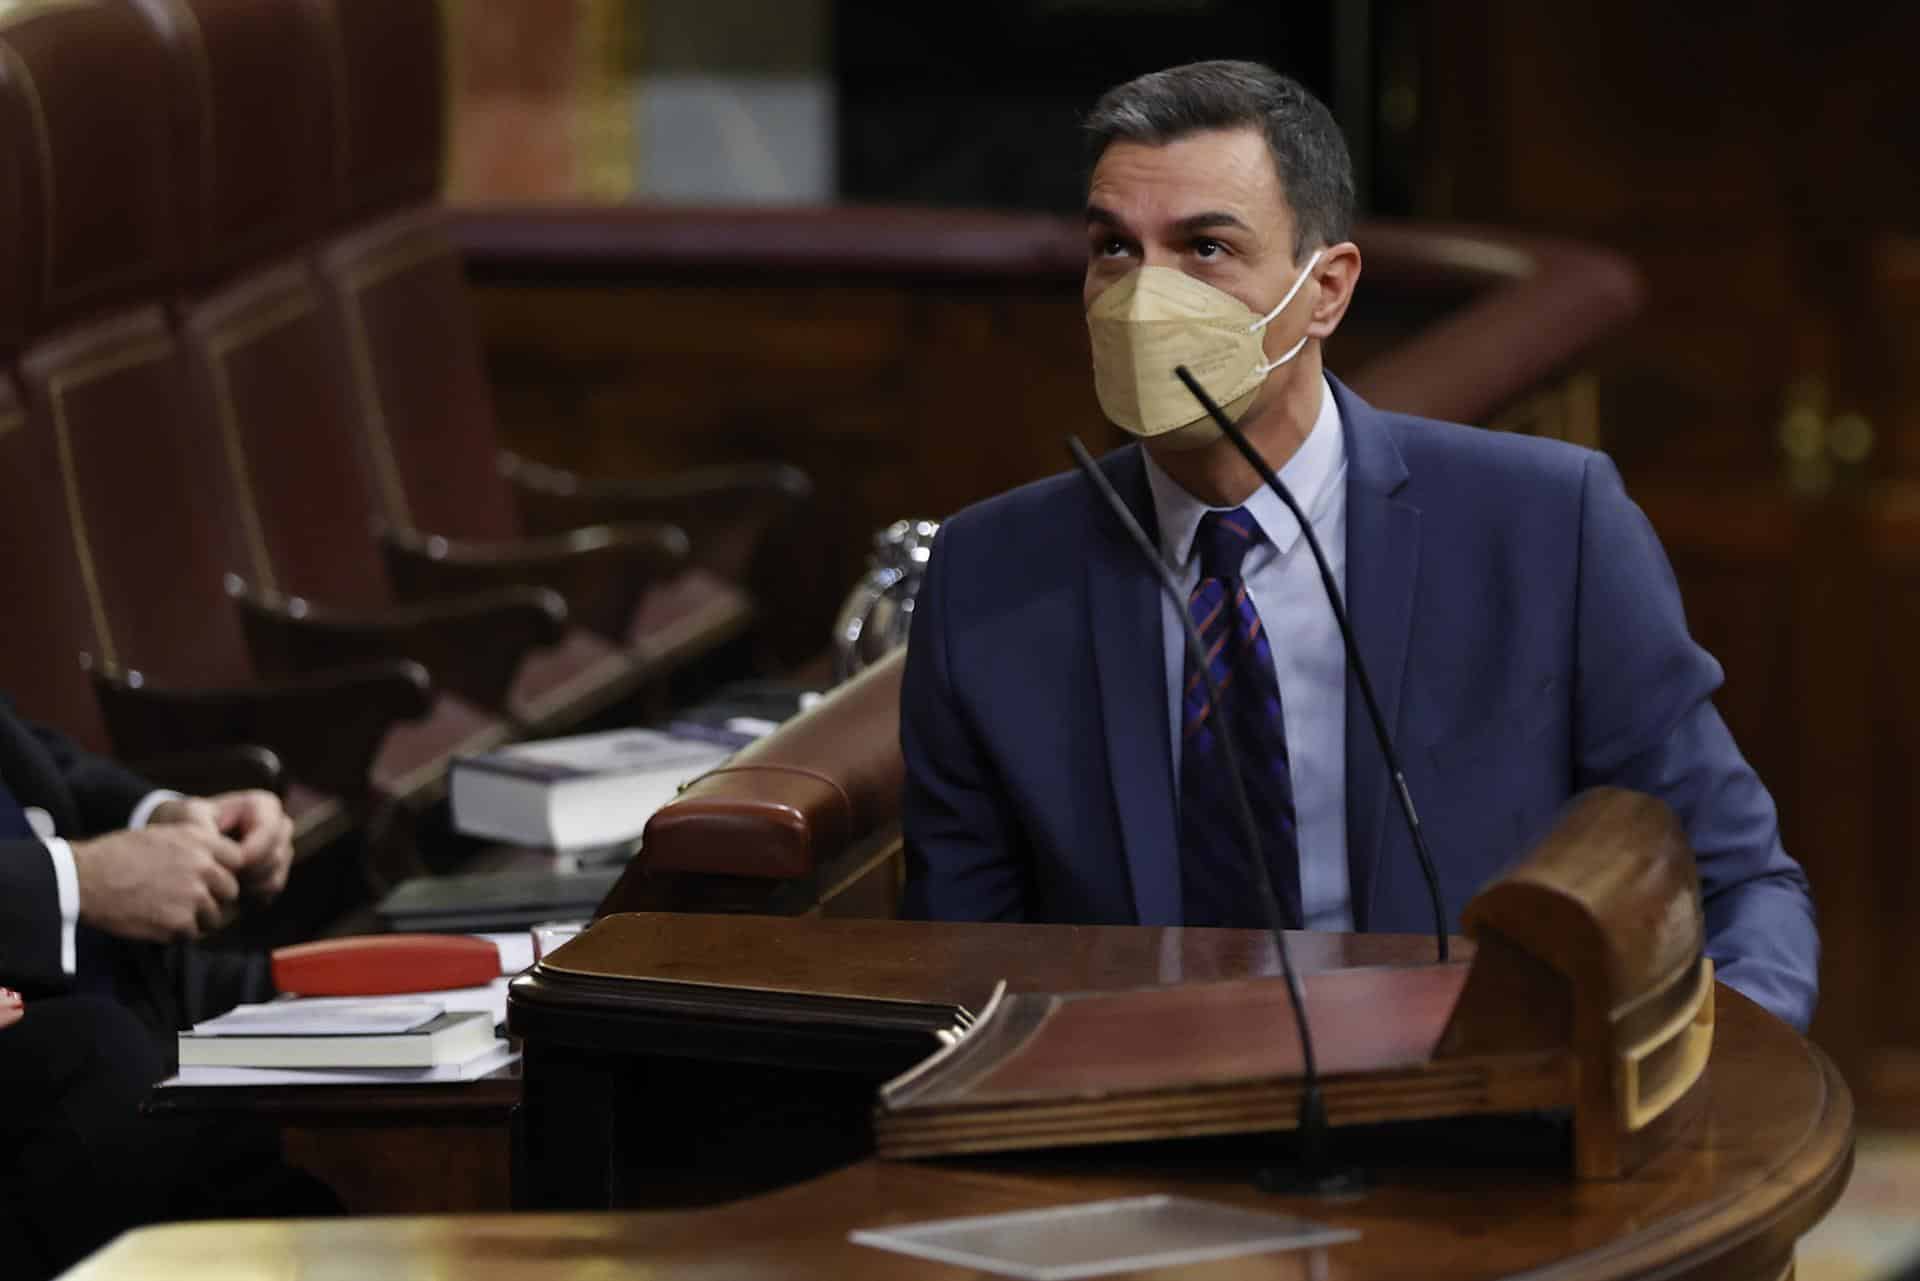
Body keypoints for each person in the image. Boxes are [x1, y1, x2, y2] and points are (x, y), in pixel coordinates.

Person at [898, 60, 1818, 1033]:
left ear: (1325, 289)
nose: (1142, 298)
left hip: (1477, 1126)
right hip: (1131, 1129)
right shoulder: (988, 574)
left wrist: (1716, 1086)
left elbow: (1734, 881)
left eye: (1205, 248)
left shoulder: (1549, 526)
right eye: (1115, 249)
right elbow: (965, 965)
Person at [0, 695, 331, 1279]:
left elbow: (29, 757)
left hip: (130, 972)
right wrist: (78, 879)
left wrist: (165, 817)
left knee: (330, 994)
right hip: (58, 1032)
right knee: (110, 1058)